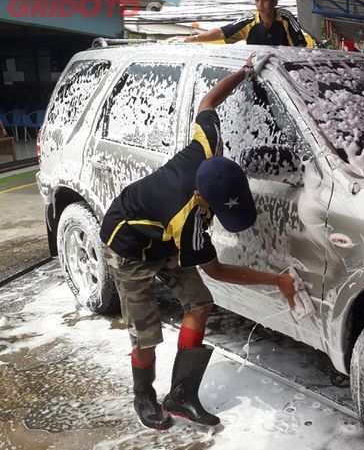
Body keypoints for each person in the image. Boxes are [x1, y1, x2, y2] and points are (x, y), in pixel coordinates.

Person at [100, 53, 298, 430]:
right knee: (146, 334)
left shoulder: (207, 148)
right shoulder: (187, 220)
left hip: (162, 235)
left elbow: (208, 102)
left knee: (199, 303)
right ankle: (144, 398)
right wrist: (277, 281)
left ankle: (182, 395)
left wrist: (242, 72)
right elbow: (218, 270)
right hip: (127, 248)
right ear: (203, 199)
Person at [174, 0, 306, 47]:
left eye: (265, 0)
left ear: (275, 2)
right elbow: (221, 33)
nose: (260, 4)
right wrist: (191, 39)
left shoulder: (286, 17)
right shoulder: (249, 20)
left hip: (285, 73)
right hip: (257, 72)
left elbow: (300, 46)